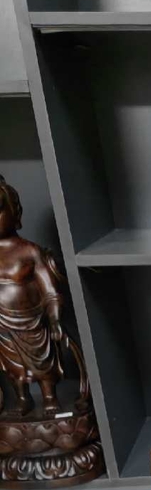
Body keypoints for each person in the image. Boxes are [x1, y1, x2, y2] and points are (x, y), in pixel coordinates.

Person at [0, 175, 64, 417]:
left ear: (14, 211)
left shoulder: (29, 251)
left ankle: (49, 397)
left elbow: (50, 292)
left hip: (31, 321)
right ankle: (22, 398)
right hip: (2, 324)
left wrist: (55, 319)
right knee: (13, 367)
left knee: (42, 363)